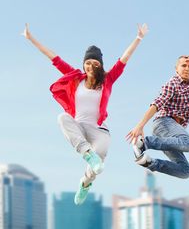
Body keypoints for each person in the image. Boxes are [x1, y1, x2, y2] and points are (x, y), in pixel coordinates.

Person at [23, 23, 147, 205]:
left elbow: (124, 59)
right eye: (87, 63)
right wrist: (31, 38)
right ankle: (86, 153)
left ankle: (85, 183)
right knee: (62, 118)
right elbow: (53, 57)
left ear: (100, 66)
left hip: (99, 130)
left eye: (95, 63)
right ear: (84, 64)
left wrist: (139, 38)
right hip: (78, 127)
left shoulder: (108, 80)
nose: (90, 66)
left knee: (99, 162)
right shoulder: (75, 77)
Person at [126, 55, 189, 179]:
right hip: (163, 123)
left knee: (185, 171)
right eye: (183, 65)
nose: (187, 69)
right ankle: (145, 143)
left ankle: (149, 163)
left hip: (171, 134)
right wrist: (140, 125)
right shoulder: (173, 83)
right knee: (188, 144)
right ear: (176, 69)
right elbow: (157, 104)